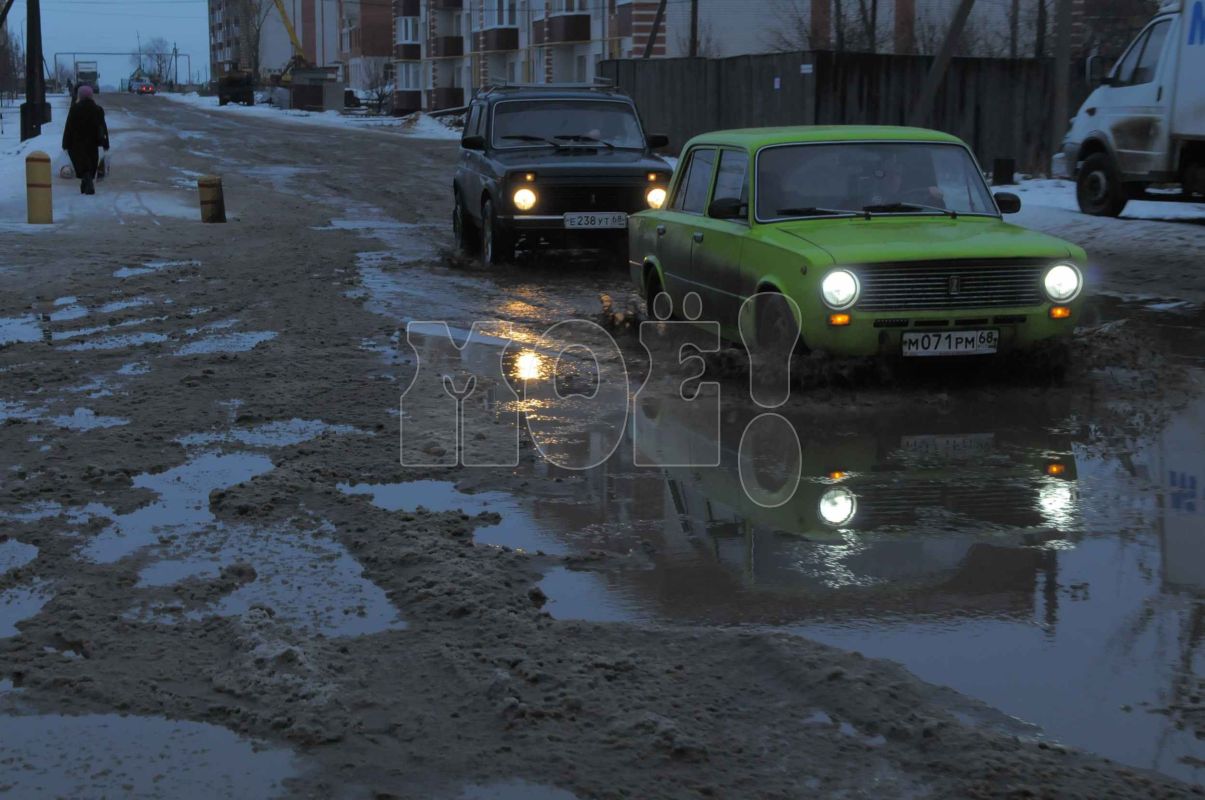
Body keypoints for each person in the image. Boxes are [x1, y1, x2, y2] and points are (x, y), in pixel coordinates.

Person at [62, 85, 109, 195]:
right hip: (93, 143)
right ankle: (87, 181)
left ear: (80, 96)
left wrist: (65, 143)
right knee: (91, 163)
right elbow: (102, 127)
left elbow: (68, 127)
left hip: (76, 143)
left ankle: (86, 181)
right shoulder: (98, 110)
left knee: (81, 164)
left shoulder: (74, 109)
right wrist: (105, 143)